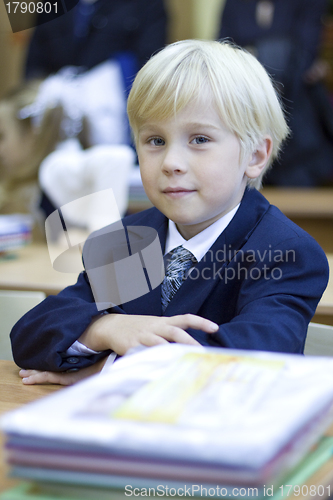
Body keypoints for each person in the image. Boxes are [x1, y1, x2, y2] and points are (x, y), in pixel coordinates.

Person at [11, 40, 329, 386]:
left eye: (200, 140)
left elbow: (250, 359)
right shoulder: (124, 242)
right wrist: (105, 327)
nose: (172, 163)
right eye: (156, 141)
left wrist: (105, 369)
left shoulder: (283, 252)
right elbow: (31, 335)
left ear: (255, 156)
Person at [218, 0, 333, 186]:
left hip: (295, 109)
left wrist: (253, 53)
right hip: (245, 101)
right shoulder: (234, 3)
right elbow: (222, 54)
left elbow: (304, 56)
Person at [25, 0, 167, 81]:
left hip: (118, 116)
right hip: (55, 117)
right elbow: (33, 71)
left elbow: (150, 70)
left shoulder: (146, 5)